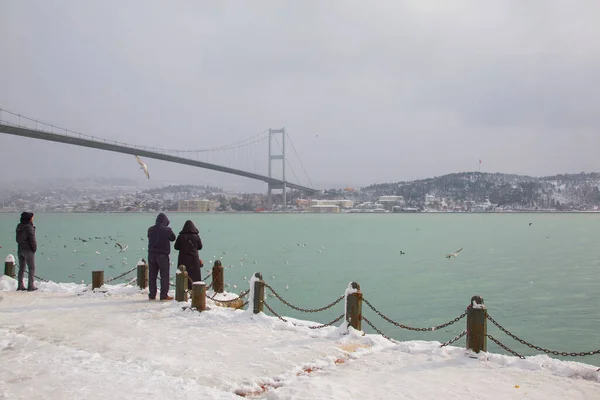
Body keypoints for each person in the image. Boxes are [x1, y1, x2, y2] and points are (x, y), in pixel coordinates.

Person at [147, 212, 176, 300]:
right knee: (164, 276)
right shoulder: (167, 230)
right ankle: (163, 295)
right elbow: (173, 238)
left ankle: (152, 294)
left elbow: (149, 237)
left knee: (152, 276)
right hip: (162, 255)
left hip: (151, 255)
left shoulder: (150, 229)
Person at [174, 220, 203, 290]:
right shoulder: (196, 236)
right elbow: (200, 247)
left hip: (183, 259)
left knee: (183, 275)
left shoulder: (180, 236)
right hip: (194, 259)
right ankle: (195, 291)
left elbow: (176, 247)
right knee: (194, 276)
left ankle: (183, 290)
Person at [15, 211, 37, 291]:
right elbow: (32, 239)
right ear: (29, 219)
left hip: (20, 248)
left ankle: (20, 285)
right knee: (31, 268)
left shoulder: (19, 227)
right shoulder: (29, 227)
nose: (33, 219)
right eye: (32, 217)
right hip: (28, 249)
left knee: (21, 268)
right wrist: (34, 248)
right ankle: (30, 286)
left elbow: (17, 239)